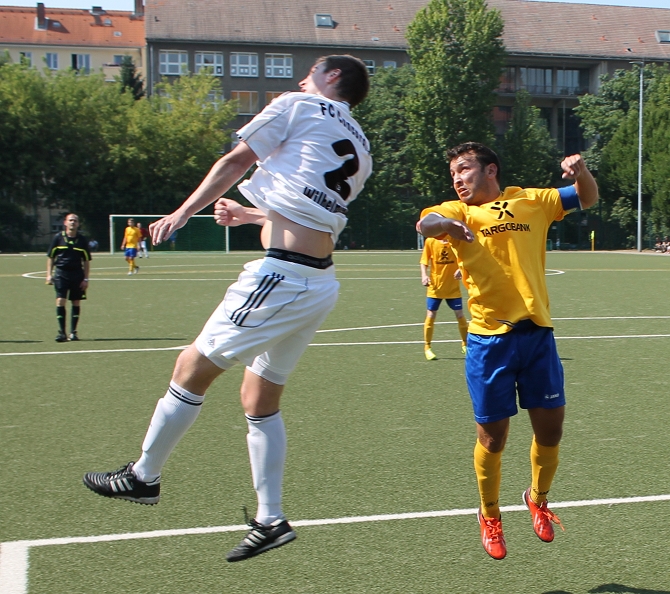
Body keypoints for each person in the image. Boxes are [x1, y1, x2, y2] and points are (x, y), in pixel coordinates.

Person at [83, 55, 372, 562]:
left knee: (190, 367)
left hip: (282, 277)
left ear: (331, 78)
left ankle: (143, 476)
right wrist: (249, 215)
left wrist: (182, 212)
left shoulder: (299, 104)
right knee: (258, 397)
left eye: (310, 71)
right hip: (318, 281)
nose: (300, 79)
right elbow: (308, 214)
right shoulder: (361, 142)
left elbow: (236, 161)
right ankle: (270, 520)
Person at [416, 142, 598, 560]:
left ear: (490, 170)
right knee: (493, 438)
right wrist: (447, 223)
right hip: (488, 341)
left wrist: (582, 171)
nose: (457, 179)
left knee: (551, 431)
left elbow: (586, 197)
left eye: (464, 169)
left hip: (537, 336)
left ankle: (538, 498)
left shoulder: (532, 200)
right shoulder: (458, 211)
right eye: (453, 174)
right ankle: (490, 513)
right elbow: (426, 223)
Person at [420, 237, 468, 360]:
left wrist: (461, 269)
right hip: (435, 288)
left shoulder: (456, 240)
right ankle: (427, 347)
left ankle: (465, 345)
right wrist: (424, 275)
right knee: (431, 315)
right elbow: (424, 261)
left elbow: (465, 258)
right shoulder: (430, 241)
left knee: (460, 314)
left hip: (453, 289)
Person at [46, 213, 92, 342]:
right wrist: (49, 274)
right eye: (70, 220)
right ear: (65, 222)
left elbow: (86, 261)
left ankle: (73, 332)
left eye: (75, 220)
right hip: (61, 273)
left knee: (76, 301)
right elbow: (51, 257)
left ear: (78, 224)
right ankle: (62, 332)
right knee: (60, 300)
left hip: (77, 274)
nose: (73, 222)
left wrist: (86, 279)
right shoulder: (58, 238)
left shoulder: (82, 240)